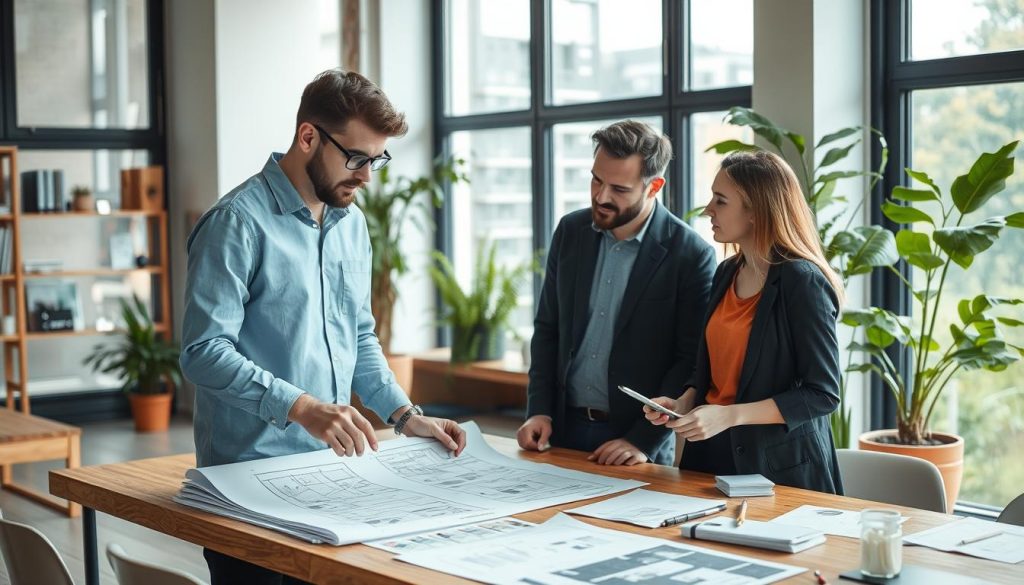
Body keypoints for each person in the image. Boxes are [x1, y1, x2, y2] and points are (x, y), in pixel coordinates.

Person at [181, 69, 466, 585]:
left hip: (333, 477)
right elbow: (203, 351)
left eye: (376, 160)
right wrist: (303, 407)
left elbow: (357, 334)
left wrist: (404, 416)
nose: (367, 176)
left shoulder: (351, 225)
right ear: (308, 136)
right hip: (248, 483)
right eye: (356, 158)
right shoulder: (236, 223)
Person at [644, 149, 844, 494]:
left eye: (720, 201)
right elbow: (713, 370)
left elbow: (822, 393)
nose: (708, 209)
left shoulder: (802, 281)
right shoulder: (726, 272)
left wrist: (729, 415)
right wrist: (685, 402)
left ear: (755, 212)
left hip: (778, 471)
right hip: (709, 458)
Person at [517, 120, 716, 466]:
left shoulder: (691, 254)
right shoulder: (570, 231)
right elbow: (548, 328)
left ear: (654, 186)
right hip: (561, 431)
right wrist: (540, 411)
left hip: (636, 445)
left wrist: (642, 439)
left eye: (619, 189)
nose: (601, 196)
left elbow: (690, 360)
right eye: (596, 179)